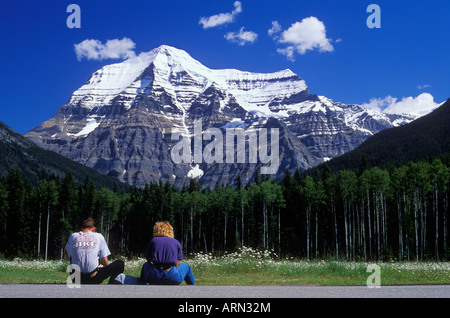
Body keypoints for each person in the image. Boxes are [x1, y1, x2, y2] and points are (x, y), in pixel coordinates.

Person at [65, 217, 124, 284]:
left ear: (81, 228)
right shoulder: (99, 236)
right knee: (120, 263)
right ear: (94, 229)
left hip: (76, 278)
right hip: (93, 278)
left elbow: (68, 254)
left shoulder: (73, 236)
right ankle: (111, 283)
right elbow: (105, 262)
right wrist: (98, 261)